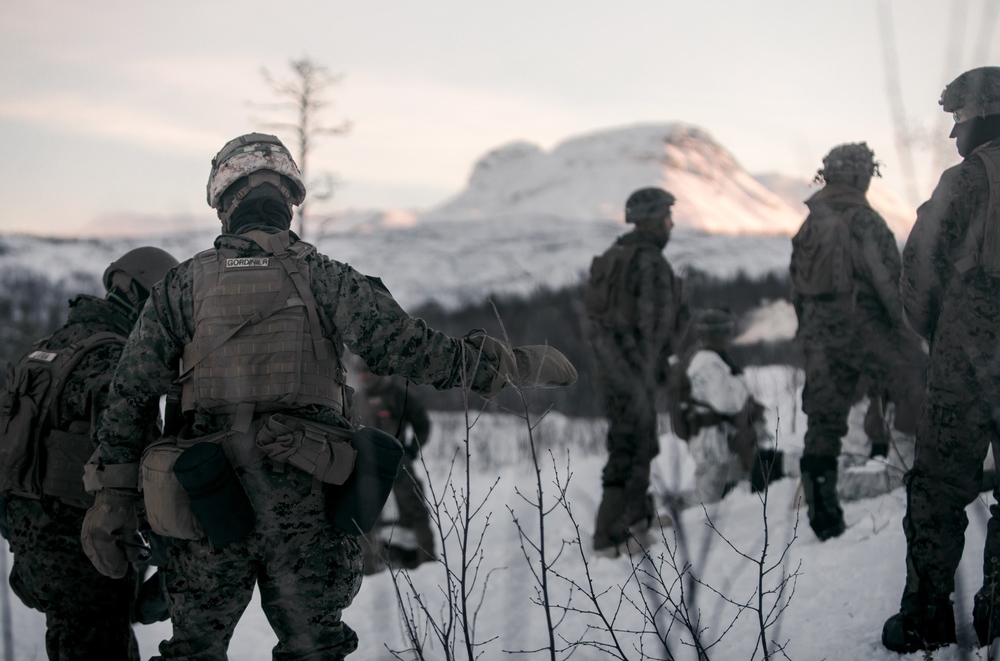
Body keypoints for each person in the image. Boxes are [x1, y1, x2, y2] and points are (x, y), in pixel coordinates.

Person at [78, 132, 577, 660]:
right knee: (314, 649)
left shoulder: (180, 287)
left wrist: (112, 498)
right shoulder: (326, 278)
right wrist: (507, 366)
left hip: (206, 497)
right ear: (289, 202)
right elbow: (411, 350)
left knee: (194, 651)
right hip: (307, 496)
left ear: (225, 203)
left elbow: (129, 397)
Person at [1, 246, 178, 660]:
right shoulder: (119, 359)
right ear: (147, 299)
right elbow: (143, 472)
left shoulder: (42, 351)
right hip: (84, 555)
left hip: (31, 544)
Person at [882, 66, 1000, 653]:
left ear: (980, 115)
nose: (955, 132)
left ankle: (927, 616)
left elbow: (920, 271)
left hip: (966, 363)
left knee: (937, 488)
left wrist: (938, 333)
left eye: (959, 118)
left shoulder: (965, 180)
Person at [789, 141, 927, 542]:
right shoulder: (866, 221)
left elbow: (798, 290)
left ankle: (823, 516)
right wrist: (907, 338)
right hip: (865, 331)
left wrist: (809, 335)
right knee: (921, 388)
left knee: (824, 424)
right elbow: (891, 288)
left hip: (820, 338)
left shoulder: (808, 226)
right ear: (855, 175)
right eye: (867, 172)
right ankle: (925, 481)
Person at [584, 186, 685, 557]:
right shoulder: (650, 262)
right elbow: (655, 327)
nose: (670, 224)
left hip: (612, 367)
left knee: (638, 439)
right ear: (654, 219)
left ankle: (638, 516)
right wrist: (657, 367)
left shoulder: (614, 256)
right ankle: (611, 533)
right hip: (634, 368)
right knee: (631, 445)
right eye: (667, 216)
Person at [683, 308, 786, 505]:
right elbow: (727, 403)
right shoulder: (707, 362)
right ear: (715, 334)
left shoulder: (715, 359)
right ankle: (657, 511)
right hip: (712, 442)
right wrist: (741, 386)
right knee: (705, 502)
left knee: (724, 495)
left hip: (722, 440)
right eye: (726, 331)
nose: (730, 336)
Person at [350, 365, 435, 573]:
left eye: (367, 372)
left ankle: (427, 562)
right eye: (360, 373)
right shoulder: (356, 399)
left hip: (398, 463)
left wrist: (412, 449)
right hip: (366, 467)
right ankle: (367, 567)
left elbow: (422, 423)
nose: (363, 377)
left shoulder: (398, 394)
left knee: (415, 510)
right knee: (363, 516)